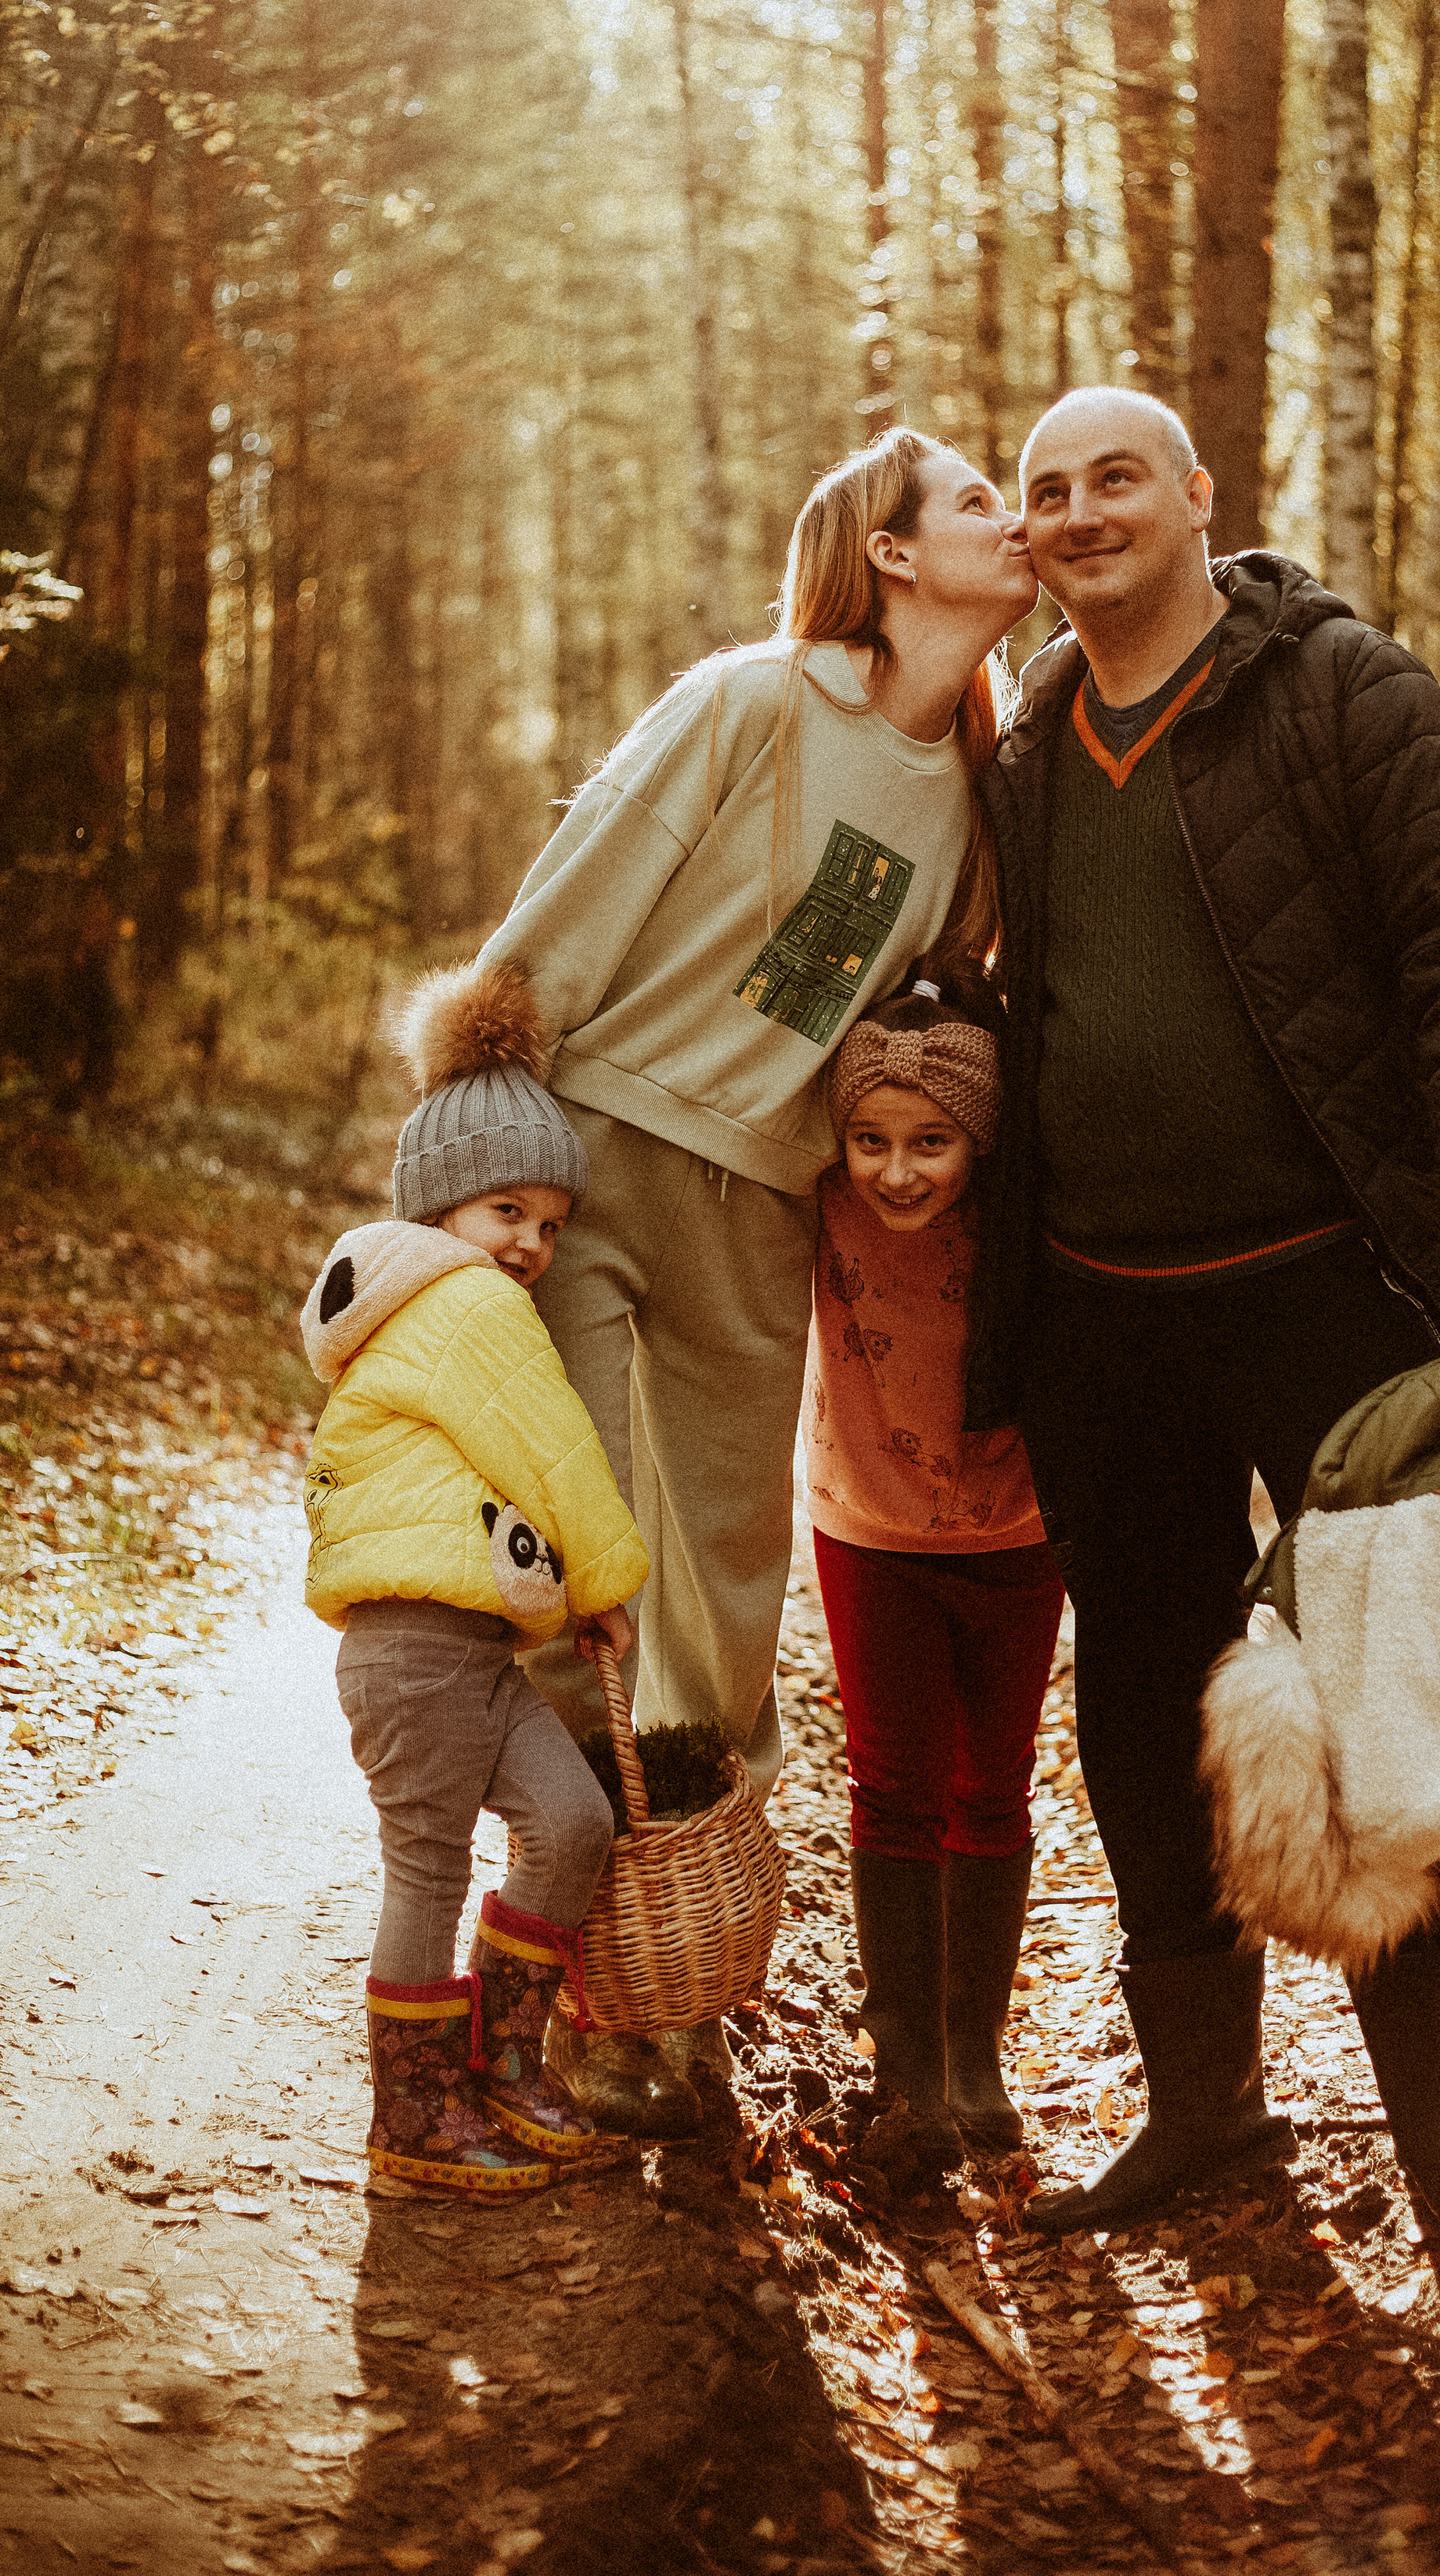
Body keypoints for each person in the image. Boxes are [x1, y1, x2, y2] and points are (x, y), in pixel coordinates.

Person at [968, 386, 1440, 2254]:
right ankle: (1202, 2109)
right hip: (1096, 1314)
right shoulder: (1019, 746)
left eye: (1112, 479)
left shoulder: (1339, 691)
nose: (1077, 515)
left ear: (1196, 496)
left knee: (1393, 1691)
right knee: (1144, 1704)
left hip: (1329, 1290)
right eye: (1046, 493)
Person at [476, 428, 1038, 2133]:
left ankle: (681, 1986)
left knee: (720, 1606)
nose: (1010, 523)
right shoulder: (751, 700)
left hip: (757, 1205)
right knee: (572, 1570)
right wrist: (486, 1128)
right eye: (975, 505)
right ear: (889, 554)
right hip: (590, 1160)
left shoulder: (981, 793)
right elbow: (575, 894)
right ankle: (571, 1985)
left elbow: (905, 1036)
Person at [300, 962, 649, 2201]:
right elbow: (553, 1453)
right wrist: (608, 1583)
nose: (532, 1246)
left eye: (551, 1225)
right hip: (415, 1648)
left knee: (572, 1824)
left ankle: (498, 2067)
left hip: (464, 1652)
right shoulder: (465, 1311)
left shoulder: (427, 1297)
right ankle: (415, 2114)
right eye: (508, 1210)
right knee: (429, 1869)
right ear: (443, 1205)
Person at [806, 973, 1063, 2171]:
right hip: (868, 1530)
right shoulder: (815, 1208)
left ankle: (977, 2056)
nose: (897, 1172)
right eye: (871, 1141)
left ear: (979, 1141)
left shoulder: (1023, 1217)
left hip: (1016, 1531)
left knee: (992, 1783)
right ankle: (906, 2066)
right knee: (893, 1783)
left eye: (930, 1144)